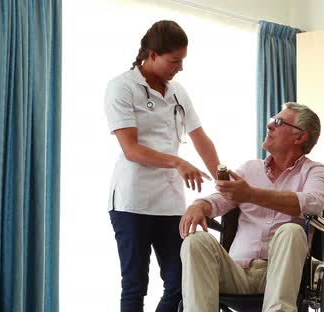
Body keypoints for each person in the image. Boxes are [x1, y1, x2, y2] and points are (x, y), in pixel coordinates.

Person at [104, 20, 220, 312]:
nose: (179, 68)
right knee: (135, 285)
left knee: (181, 283)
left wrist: (223, 179)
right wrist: (177, 161)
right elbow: (130, 149)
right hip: (133, 200)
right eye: (174, 61)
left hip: (170, 203)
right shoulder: (122, 87)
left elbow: (200, 137)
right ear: (152, 54)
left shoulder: (178, 91)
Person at [179, 102, 324, 312]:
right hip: (236, 272)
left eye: (278, 122)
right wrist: (198, 205)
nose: (270, 126)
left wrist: (250, 194)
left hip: (281, 274)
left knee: (292, 230)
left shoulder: (315, 171)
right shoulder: (250, 169)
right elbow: (219, 199)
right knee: (196, 241)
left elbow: (314, 203)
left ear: (300, 137)